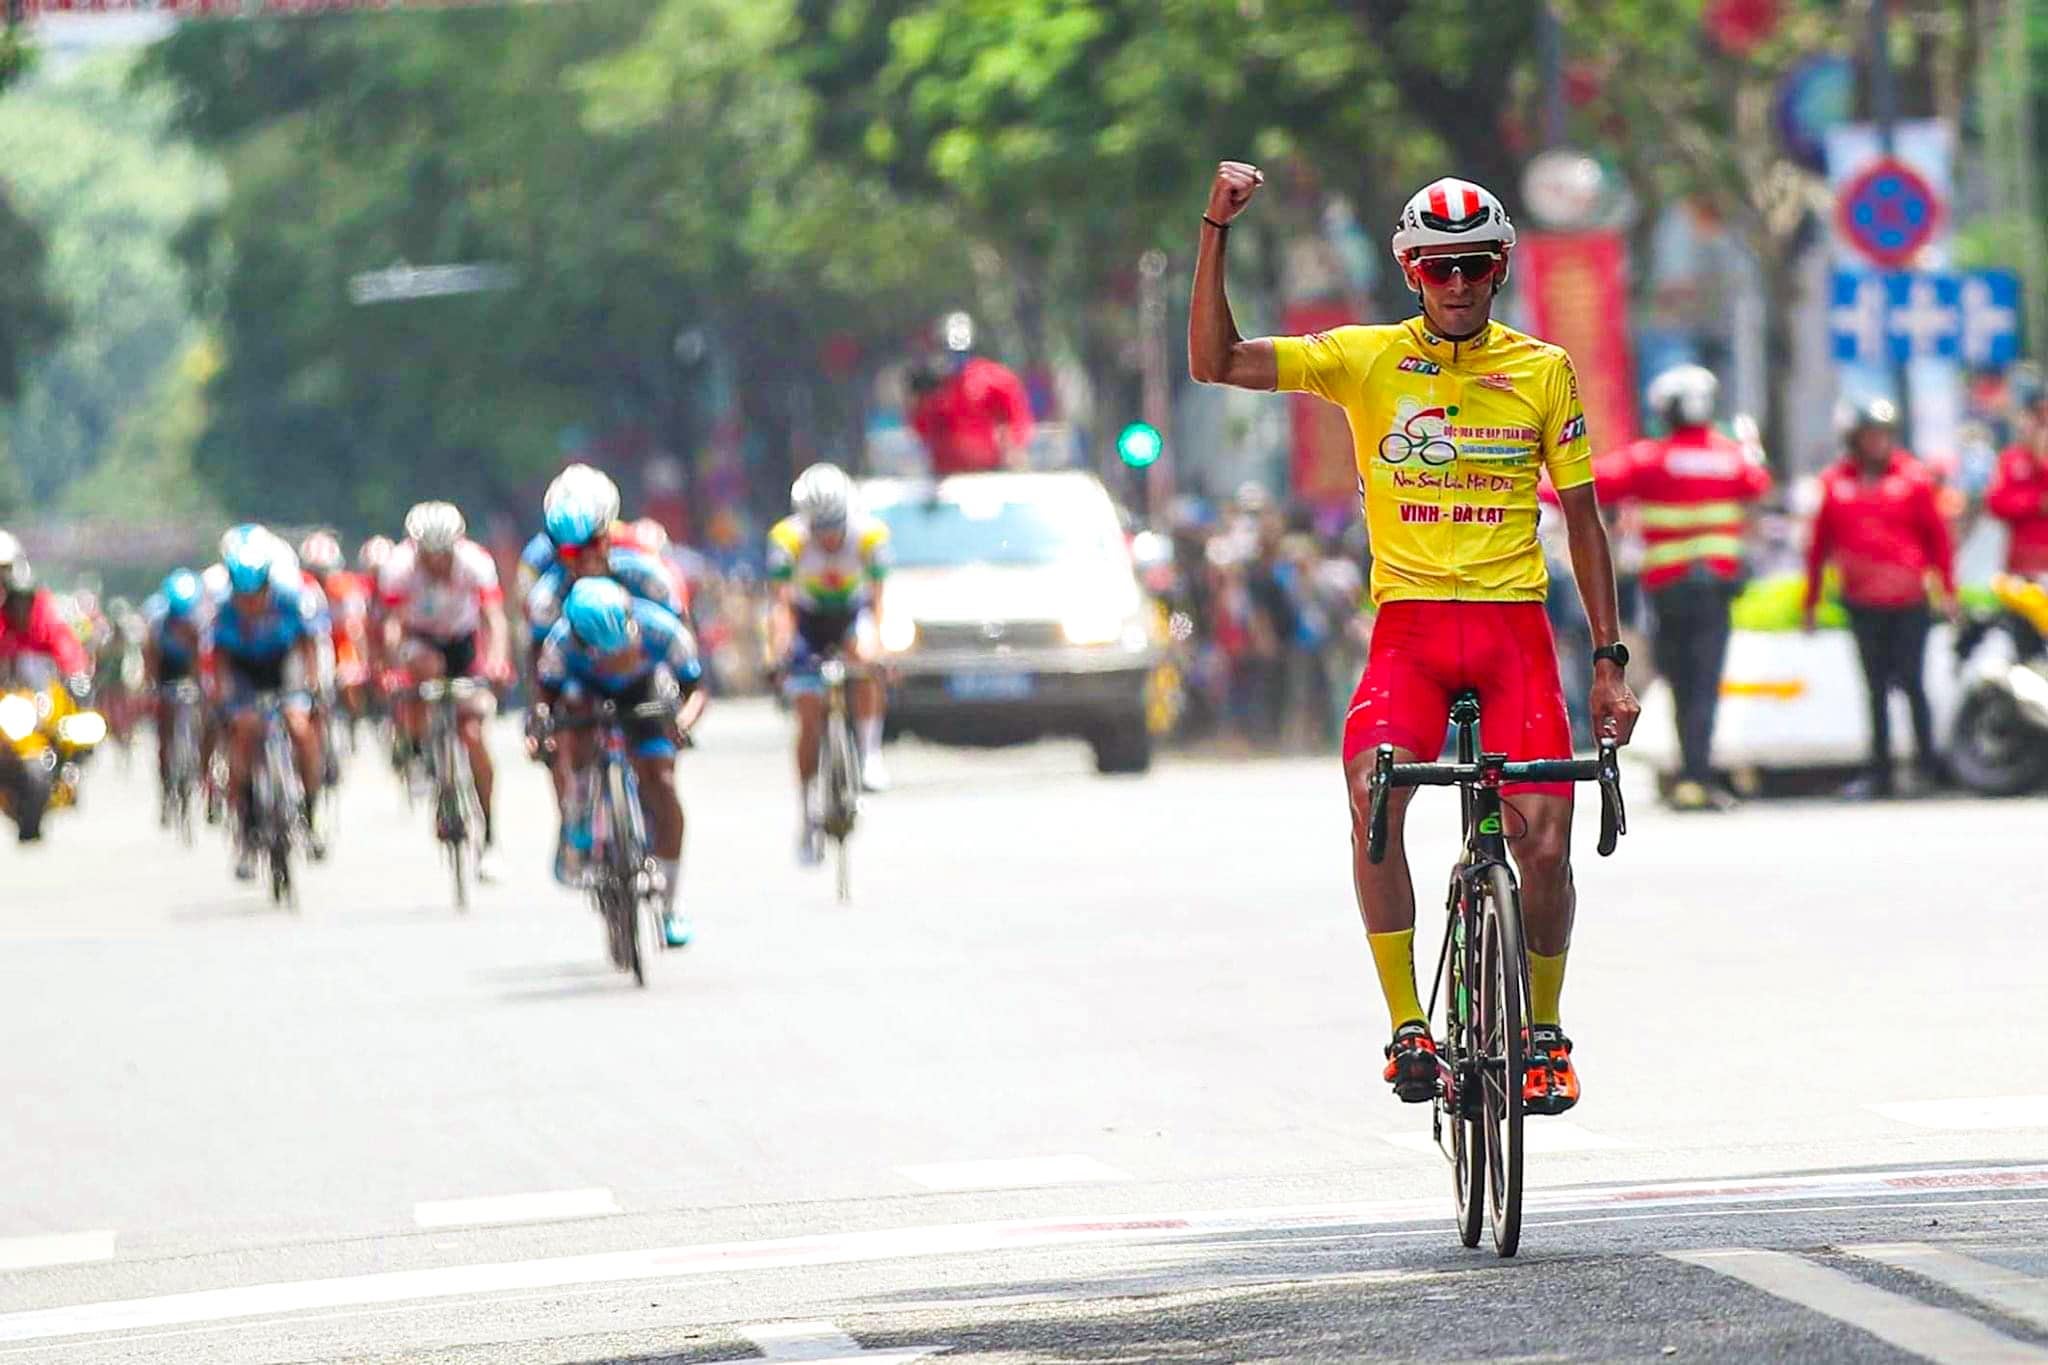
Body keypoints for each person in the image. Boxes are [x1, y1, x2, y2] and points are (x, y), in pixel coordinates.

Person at [1189, 164, 1640, 1115]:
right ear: (1409, 272)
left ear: (1503, 266)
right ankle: (1407, 1025)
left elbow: (1587, 522)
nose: (1458, 283)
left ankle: (1545, 1030)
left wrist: (1608, 662)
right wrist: (1214, 231)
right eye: (1438, 268)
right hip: (1411, 636)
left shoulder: (1544, 370)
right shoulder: (1362, 359)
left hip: (1515, 631)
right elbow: (1216, 362)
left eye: (1475, 265)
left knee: (1547, 841)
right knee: (1372, 794)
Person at [1573, 364, 1772, 811]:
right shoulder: (1733, 457)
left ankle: (1691, 776)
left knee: (1680, 681)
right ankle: (1696, 775)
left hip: (1670, 591)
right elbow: (1759, 483)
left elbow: (1582, 485)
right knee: (1703, 684)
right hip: (1715, 590)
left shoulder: (1651, 458)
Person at [530, 577, 707, 948]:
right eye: (601, 653)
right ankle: (578, 812)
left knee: (662, 783)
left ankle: (671, 904)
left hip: (643, 693)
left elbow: (695, 690)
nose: (611, 660)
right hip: (586, 695)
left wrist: (683, 723)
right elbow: (545, 701)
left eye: (619, 650)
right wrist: (541, 730)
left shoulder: (662, 631)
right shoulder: (559, 645)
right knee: (573, 727)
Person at [1803, 399, 1958, 797]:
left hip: (1908, 601)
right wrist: (1812, 600)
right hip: (1862, 600)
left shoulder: (1914, 479)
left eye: (1883, 435)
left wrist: (1948, 590)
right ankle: (1880, 772)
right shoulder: (1835, 483)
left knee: (1912, 683)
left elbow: (1938, 539)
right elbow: (1819, 546)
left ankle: (1927, 767)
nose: (1877, 443)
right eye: (1869, 436)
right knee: (1874, 688)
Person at [767, 463, 892, 862]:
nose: (829, 536)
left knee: (866, 659)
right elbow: (782, 604)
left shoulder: (871, 536)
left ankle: (871, 753)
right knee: (808, 712)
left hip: (851, 614)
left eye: (835, 526)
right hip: (807, 619)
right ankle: (805, 809)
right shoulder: (786, 540)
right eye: (820, 528)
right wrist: (780, 651)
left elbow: (878, 600)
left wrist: (882, 649)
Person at [379, 502, 513, 872]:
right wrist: (393, 668)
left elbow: (494, 618)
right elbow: (392, 624)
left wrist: (498, 660)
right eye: (429, 554)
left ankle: (489, 834)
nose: (437, 562)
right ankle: (419, 751)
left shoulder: (476, 563)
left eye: (444, 554)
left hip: (463, 642)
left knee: (472, 734)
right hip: (421, 641)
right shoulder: (399, 567)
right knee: (424, 669)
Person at [205, 525, 328, 877]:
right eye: (243, 596)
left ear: (267, 585)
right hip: (245, 669)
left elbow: (307, 646)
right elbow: (222, 662)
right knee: (244, 730)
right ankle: (245, 832)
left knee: (300, 727)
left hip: (283, 663)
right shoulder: (225, 610)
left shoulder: (291, 598)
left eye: (257, 593)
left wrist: (313, 684)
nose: (250, 603)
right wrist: (225, 698)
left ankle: (310, 813)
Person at [906, 312, 1036, 475]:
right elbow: (921, 429)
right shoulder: (933, 388)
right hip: (948, 475)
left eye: (960, 349)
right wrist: (920, 400)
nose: (954, 355)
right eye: (948, 349)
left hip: (993, 472)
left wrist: (1012, 447)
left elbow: (1018, 421)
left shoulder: (994, 379)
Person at [143, 568, 209, 823]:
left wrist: (203, 688)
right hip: (166, 671)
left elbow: (203, 662)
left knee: (206, 719)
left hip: (191, 671)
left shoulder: (201, 624)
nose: (181, 623)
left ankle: (204, 777)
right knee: (164, 727)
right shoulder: (158, 623)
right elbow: (151, 660)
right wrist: (152, 688)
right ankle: (166, 785)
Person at [299, 530, 374, 729]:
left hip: (340, 639)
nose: (320, 579)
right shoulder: (300, 588)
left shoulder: (346, 588)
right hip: (312, 640)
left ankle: (355, 718)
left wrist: (362, 661)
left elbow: (355, 627)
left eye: (324, 572)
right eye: (314, 572)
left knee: (349, 678)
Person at [1985, 386, 2048, 578]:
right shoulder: (2011, 459)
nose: (2042, 423)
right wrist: (2036, 503)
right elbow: (1996, 503)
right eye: (2038, 416)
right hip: (2023, 564)